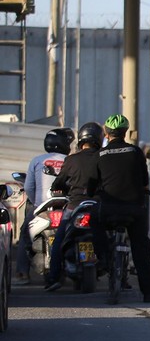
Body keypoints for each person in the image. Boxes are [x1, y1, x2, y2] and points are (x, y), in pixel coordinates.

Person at [95, 114, 150, 302]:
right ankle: (149, 292)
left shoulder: (99, 155)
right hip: (134, 209)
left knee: (95, 227)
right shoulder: (136, 152)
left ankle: (101, 260)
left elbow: (93, 184)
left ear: (106, 133)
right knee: (141, 248)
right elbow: (144, 182)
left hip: (108, 209)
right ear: (125, 132)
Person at [45, 121, 103, 290]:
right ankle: (118, 274)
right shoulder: (103, 157)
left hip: (74, 206)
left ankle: (54, 277)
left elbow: (59, 182)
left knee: (59, 241)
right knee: (114, 237)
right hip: (98, 206)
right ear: (98, 138)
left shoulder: (71, 160)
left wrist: (58, 189)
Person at [14, 127, 72, 284]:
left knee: (25, 235)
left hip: (42, 207)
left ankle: (22, 274)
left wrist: (36, 203)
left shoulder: (37, 160)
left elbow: (28, 187)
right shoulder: (70, 160)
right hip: (67, 206)